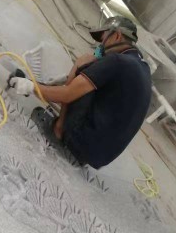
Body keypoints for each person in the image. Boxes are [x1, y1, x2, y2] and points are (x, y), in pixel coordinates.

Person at [8, 16, 152, 169]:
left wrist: (30, 87)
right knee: (88, 81)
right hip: (99, 155)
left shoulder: (116, 61)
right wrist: (43, 87)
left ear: (117, 35)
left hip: (83, 142)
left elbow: (67, 94)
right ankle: (77, 146)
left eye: (103, 39)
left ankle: (58, 130)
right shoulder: (142, 68)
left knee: (83, 64)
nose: (100, 45)